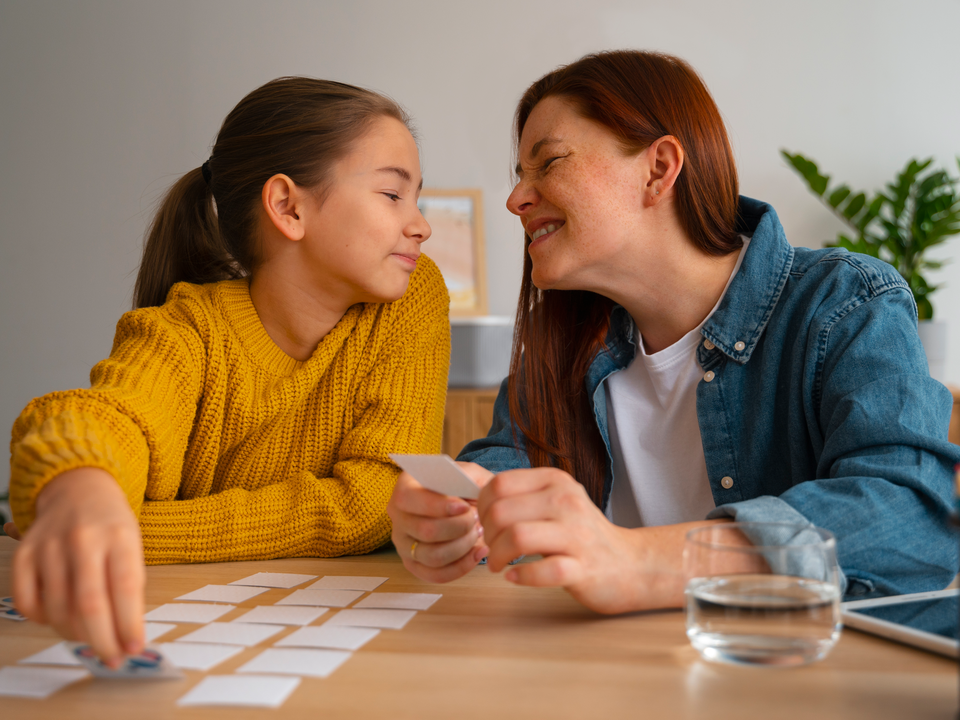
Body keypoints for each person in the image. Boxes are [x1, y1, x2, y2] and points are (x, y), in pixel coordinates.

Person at [387, 50, 960, 613]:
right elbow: (513, 463)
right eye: (520, 174)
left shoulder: (844, 302)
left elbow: (908, 515)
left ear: (659, 168)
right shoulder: (559, 336)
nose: (516, 199)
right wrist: (461, 508)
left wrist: (643, 561)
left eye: (550, 162)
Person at [6, 77, 450, 664]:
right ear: (289, 206)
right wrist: (81, 491)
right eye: (393, 196)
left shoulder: (413, 297)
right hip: (181, 627)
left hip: (328, 639)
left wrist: (138, 532)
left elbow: (374, 498)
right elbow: (104, 418)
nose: (421, 224)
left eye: (416, 197)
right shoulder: (186, 329)